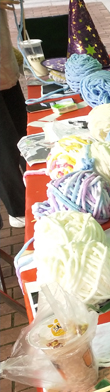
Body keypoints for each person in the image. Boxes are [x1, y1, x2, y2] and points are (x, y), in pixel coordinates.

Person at [0, 0, 26, 228]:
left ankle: (40, 184)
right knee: (4, 149)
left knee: (24, 136)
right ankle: (18, 209)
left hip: (4, 65)